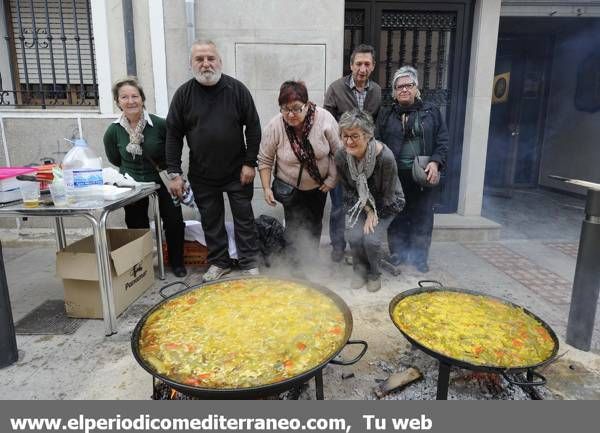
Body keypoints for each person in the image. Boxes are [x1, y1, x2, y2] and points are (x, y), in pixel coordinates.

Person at [165, 40, 261, 282]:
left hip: (238, 172)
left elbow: (254, 127)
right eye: (200, 59)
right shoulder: (183, 95)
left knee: (244, 218)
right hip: (202, 173)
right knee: (211, 221)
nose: (206, 64)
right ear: (191, 64)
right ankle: (220, 262)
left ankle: (249, 261)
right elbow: (173, 135)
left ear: (220, 61)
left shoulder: (237, 90)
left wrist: (250, 163)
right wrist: (174, 173)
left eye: (210, 58)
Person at [103, 77, 186, 277]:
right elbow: (115, 158)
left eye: (135, 96)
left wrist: (175, 175)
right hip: (131, 182)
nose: (130, 101)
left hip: (162, 178)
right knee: (136, 223)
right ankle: (142, 265)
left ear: (142, 99)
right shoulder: (113, 131)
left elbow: (173, 150)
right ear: (117, 101)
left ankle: (176, 262)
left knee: (174, 220)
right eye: (124, 97)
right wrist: (130, 174)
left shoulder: (159, 124)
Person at [258, 81, 340, 267]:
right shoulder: (275, 125)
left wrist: (332, 178)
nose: (291, 114)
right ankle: (296, 266)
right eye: (285, 109)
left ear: (307, 104)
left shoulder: (324, 119)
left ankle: (311, 261)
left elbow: (338, 153)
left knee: (315, 224)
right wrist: (265, 188)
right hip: (290, 188)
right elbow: (265, 159)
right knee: (294, 226)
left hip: (319, 186)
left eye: (296, 108)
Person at [375, 66, 449, 273]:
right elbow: (377, 139)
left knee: (423, 215)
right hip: (395, 173)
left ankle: (419, 257)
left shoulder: (431, 111)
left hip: (423, 173)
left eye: (409, 85)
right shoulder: (386, 113)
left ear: (417, 88)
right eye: (400, 86)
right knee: (397, 214)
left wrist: (435, 162)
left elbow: (443, 141)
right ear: (394, 91)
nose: (404, 89)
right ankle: (397, 253)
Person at [324, 44, 382, 263]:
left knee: (361, 204)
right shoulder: (336, 88)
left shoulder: (376, 91)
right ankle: (338, 247)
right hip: (341, 160)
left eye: (367, 64)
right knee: (339, 206)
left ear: (373, 66)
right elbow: (326, 125)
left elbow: (377, 124)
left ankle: (358, 249)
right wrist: (342, 147)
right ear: (351, 65)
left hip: (365, 162)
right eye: (359, 63)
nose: (362, 68)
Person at [335, 109, 405, 292]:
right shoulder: (341, 156)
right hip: (358, 202)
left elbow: (388, 195)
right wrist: (367, 210)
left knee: (371, 240)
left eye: (355, 136)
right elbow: (348, 190)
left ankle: (374, 273)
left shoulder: (385, 158)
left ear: (367, 136)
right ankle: (359, 270)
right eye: (345, 136)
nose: (349, 141)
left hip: (387, 203)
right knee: (352, 235)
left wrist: (373, 213)